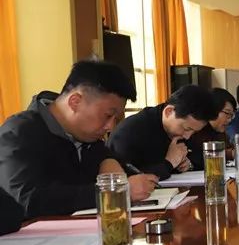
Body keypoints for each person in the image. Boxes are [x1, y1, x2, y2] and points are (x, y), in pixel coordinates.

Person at [0, 61, 158, 235]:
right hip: (40, 244)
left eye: (116, 119)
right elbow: (26, 201)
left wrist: (108, 160)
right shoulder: (19, 132)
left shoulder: (88, 136)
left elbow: (117, 165)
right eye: (107, 116)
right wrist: (110, 192)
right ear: (75, 102)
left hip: (88, 237)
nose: (110, 127)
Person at [108, 85, 216, 180]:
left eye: (194, 131)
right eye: (186, 129)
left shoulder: (183, 129)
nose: (187, 136)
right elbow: (126, 179)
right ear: (169, 112)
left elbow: (200, 157)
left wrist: (188, 164)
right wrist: (169, 163)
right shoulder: (130, 133)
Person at [187, 88, 237, 170]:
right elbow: (195, 158)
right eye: (227, 113)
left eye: (232, 115)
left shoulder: (220, 133)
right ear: (213, 110)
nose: (229, 119)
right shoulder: (193, 131)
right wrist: (227, 154)